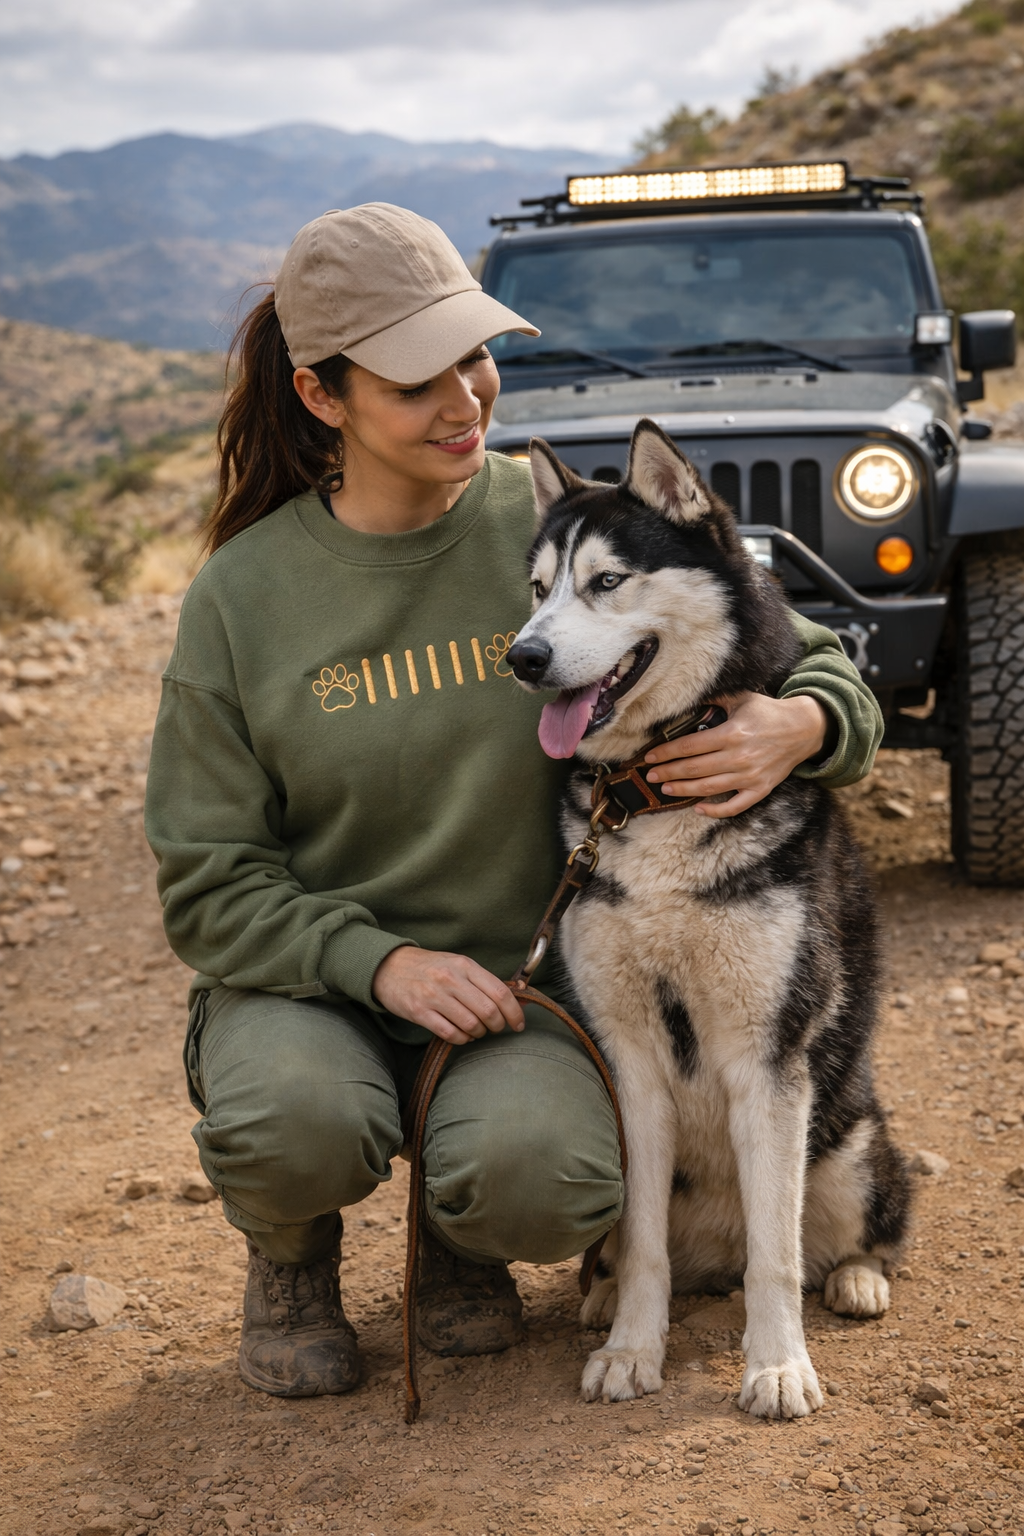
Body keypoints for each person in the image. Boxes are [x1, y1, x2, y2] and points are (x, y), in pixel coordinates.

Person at [145, 202, 884, 1399]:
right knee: (291, 1120)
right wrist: (379, 964)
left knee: (548, 1176)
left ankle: (460, 1242)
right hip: (311, 986)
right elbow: (208, 880)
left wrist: (802, 724)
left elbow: (795, 654)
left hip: (513, 999)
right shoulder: (242, 598)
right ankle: (290, 1257)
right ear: (323, 398)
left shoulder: (550, 522)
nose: (465, 402)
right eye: (414, 382)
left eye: (475, 359)